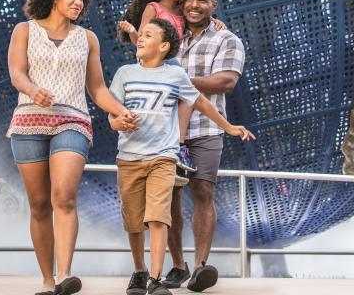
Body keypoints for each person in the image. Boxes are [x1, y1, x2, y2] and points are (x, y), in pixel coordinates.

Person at [7, 0, 137, 295]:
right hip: (28, 121)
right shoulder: (24, 31)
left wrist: (121, 111)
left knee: (63, 195)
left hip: (73, 120)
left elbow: (97, 89)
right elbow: (17, 73)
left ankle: (64, 275)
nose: (78, 2)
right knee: (38, 204)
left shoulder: (88, 39)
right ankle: (47, 281)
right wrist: (34, 90)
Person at [109, 18, 254, 295]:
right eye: (141, 35)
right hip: (129, 158)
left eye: (148, 35)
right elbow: (111, 112)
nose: (140, 39)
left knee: (158, 217)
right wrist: (117, 123)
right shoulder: (124, 74)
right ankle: (139, 271)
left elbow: (201, 103)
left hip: (163, 157)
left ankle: (154, 279)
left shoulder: (175, 76)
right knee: (134, 221)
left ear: (164, 46)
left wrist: (229, 127)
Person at [163, 0, 246, 292]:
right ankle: (177, 266)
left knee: (202, 193)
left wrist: (178, 80)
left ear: (215, 6)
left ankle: (199, 267)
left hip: (207, 128)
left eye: (203, 0)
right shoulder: (169, 37)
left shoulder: (228, 40)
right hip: (167, 130)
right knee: (168, 199)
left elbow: (225, 81)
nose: (194, 5)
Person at [117, 0, 225, 182]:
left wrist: (213, 21)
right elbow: (143, 40)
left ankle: (177, 146)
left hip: (172, 63)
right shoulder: (154, 8)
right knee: (185, 93)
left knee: (186, 97)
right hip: (158, 62)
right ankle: (167, 148)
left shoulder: (182, 11)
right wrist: (132, 33)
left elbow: (199, 18)